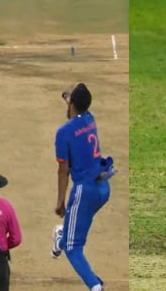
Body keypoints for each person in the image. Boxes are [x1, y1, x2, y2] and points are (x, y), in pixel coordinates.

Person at [50, 83, 116, 291]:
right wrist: (70, 98)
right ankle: (61, 237)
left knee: (73, 247)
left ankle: (95, 286)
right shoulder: (90, 118)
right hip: (103, 188)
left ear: (72, 104)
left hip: (84, 192)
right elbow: (78, 109)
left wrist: (60, 201)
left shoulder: (63, 132)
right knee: (72, 230)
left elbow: (63, 171)